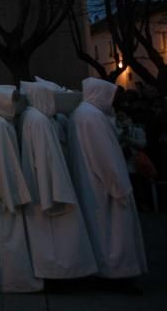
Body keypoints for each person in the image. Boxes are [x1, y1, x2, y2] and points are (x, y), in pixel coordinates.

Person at [67, 78, 148, 280]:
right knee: (114, 234)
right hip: (104, 185)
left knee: (101, 230)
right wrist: (119, 185)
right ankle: (118, 271)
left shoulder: (81, 114)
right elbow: (105, 156)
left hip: (91, 183)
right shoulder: (92, 117)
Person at [18, 80, 96, 280]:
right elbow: (46, 160)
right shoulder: (39, 121)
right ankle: (61, 273)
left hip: (44, 189)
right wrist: (56, 192)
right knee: (59, 239)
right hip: (50, 190)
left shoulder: (33, 117)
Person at [0, 85, 42, 293]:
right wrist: (12, 195)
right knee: (8, 238)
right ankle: (12, 281)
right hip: (4, 195)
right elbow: (4, 166)